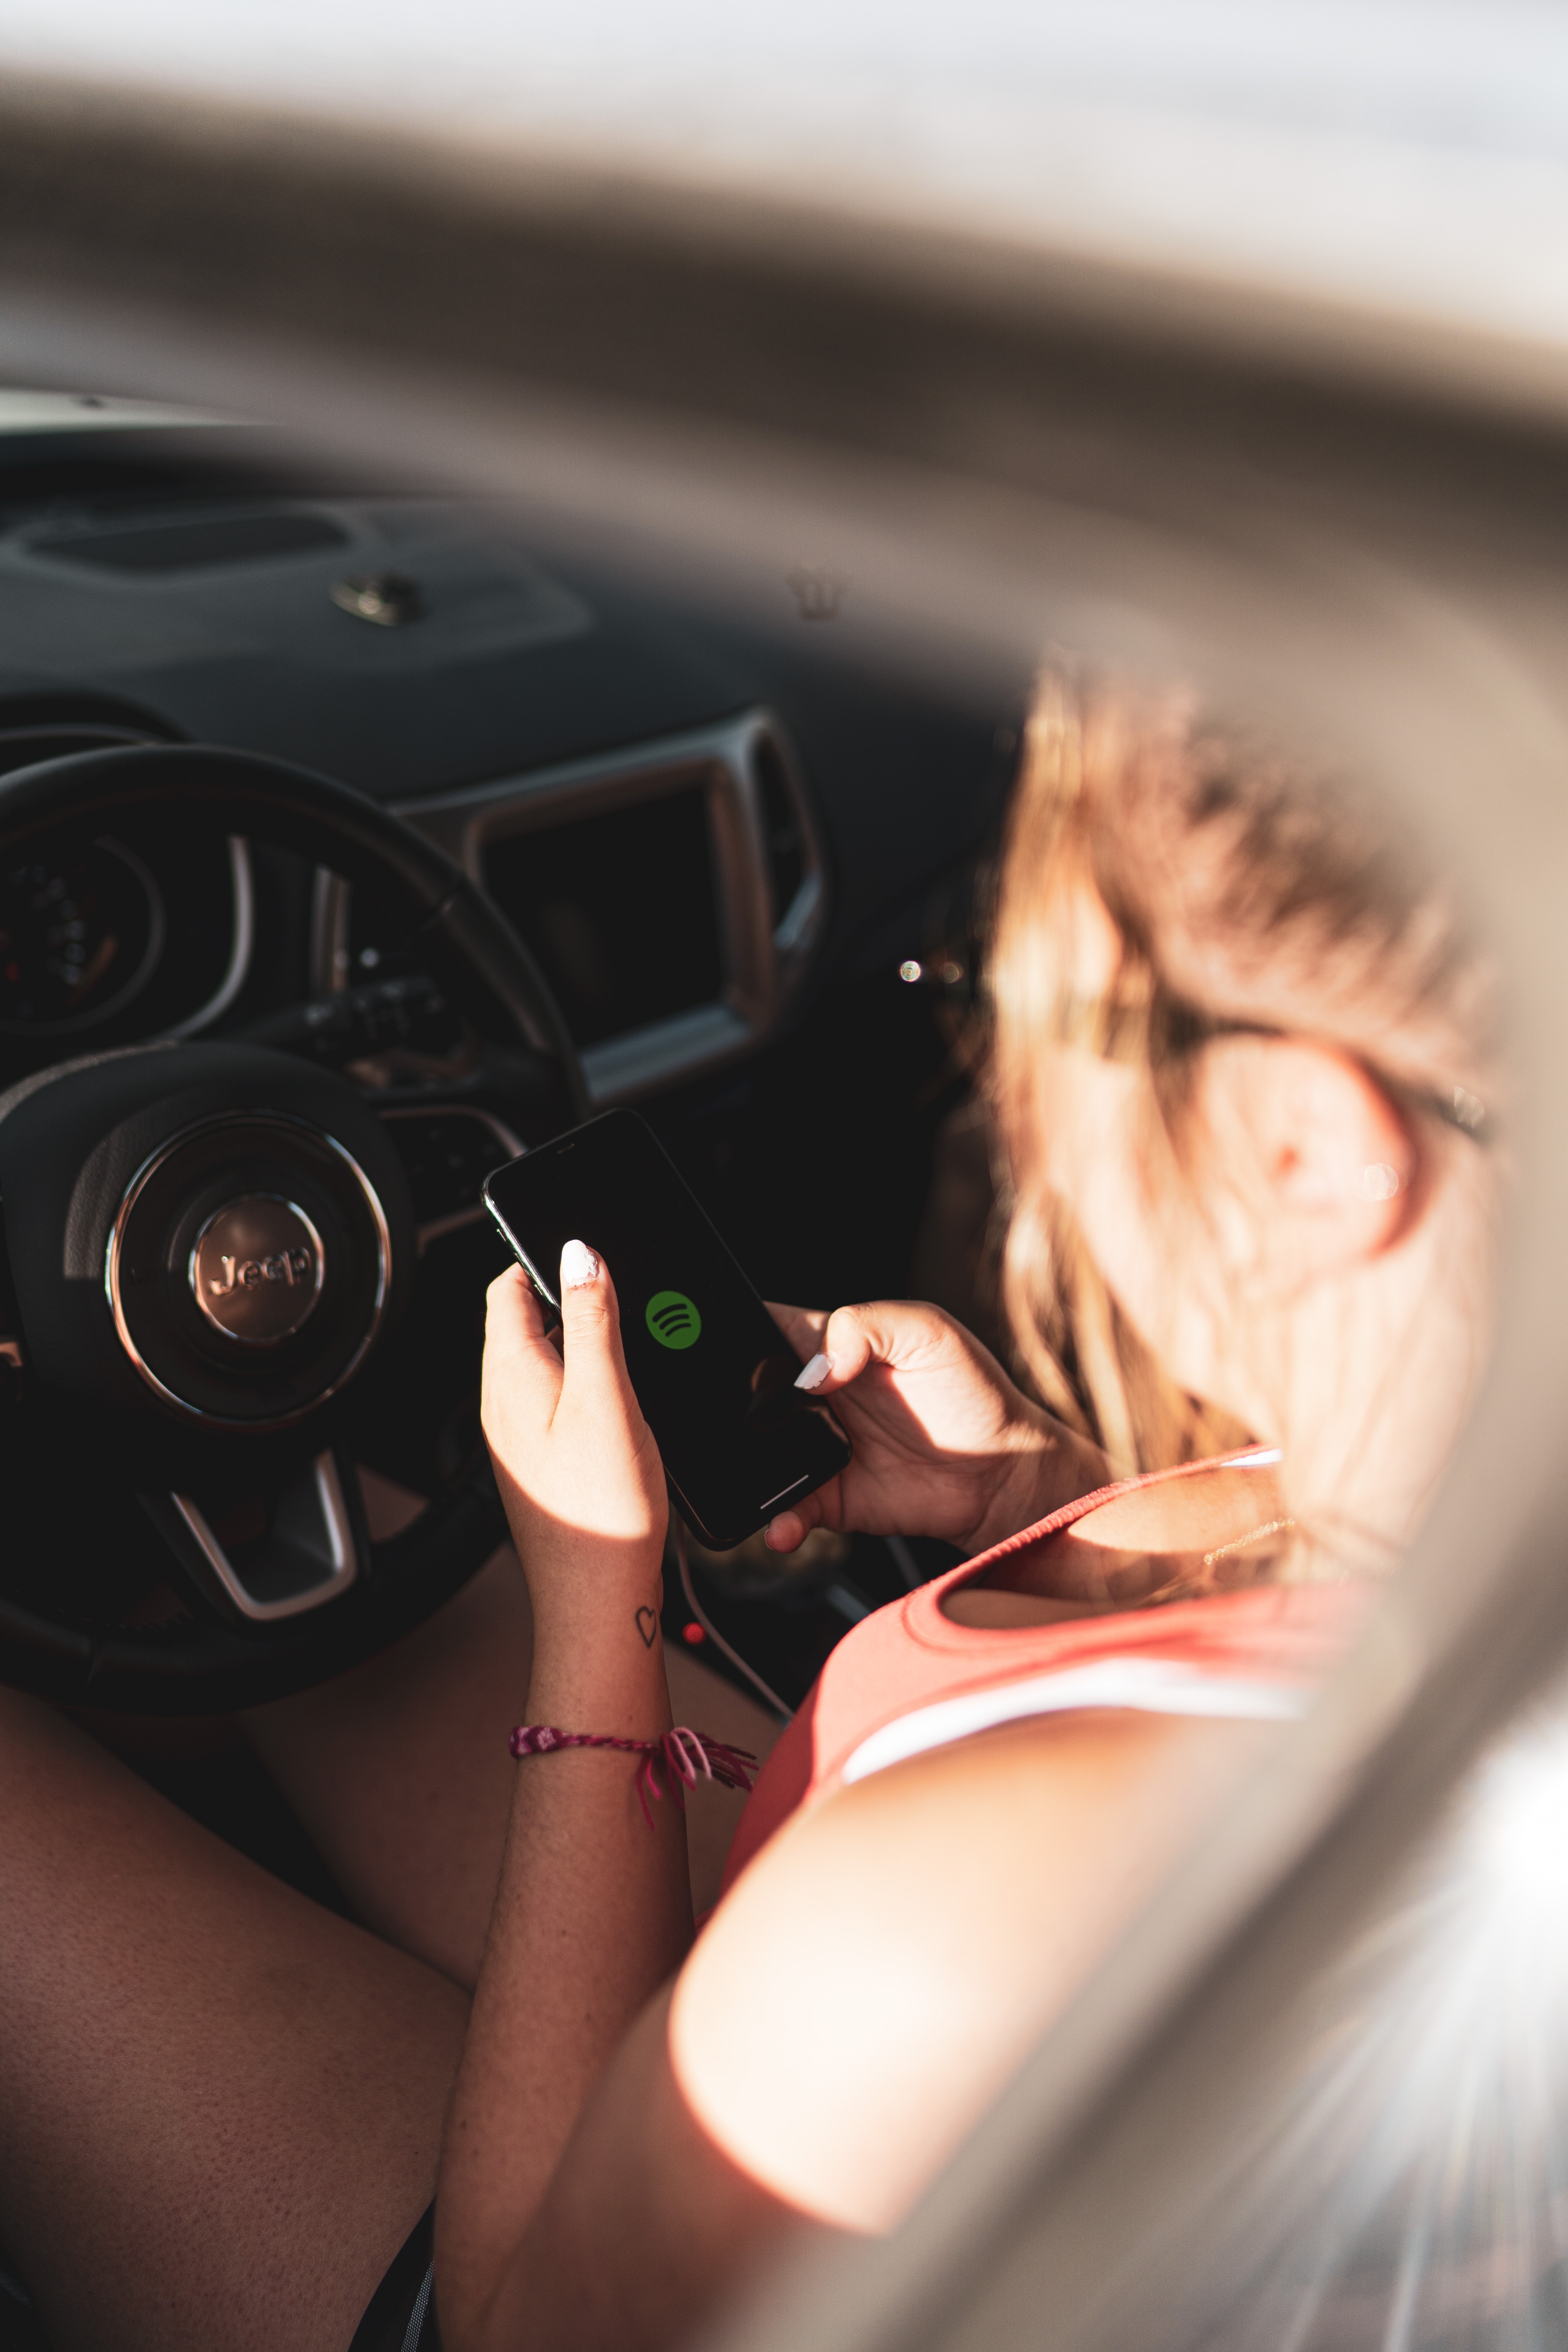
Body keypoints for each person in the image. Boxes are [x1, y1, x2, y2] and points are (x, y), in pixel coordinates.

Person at [0, 673, 1495, 2352]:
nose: (1022, 1108)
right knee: (285, 1595)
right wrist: (1048, 1509)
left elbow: (522, 2323)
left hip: (642, 2233)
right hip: (849, 2041)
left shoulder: (933, 1936)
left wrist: (594, 1612)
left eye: (1036, 1021)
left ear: (1307, 1146)